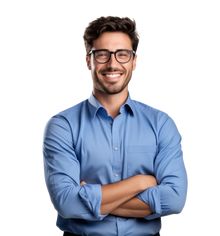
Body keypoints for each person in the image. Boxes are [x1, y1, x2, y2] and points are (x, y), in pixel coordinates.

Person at [43, 16, 187, 236]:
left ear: (133, 61)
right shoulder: (63, 126)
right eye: (102, 54)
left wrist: (88, 197)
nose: (112, 64)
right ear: (88, 60)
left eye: (122, 54)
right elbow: (67, 203)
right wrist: (140, 182)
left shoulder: (161, 124)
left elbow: (174, 199)